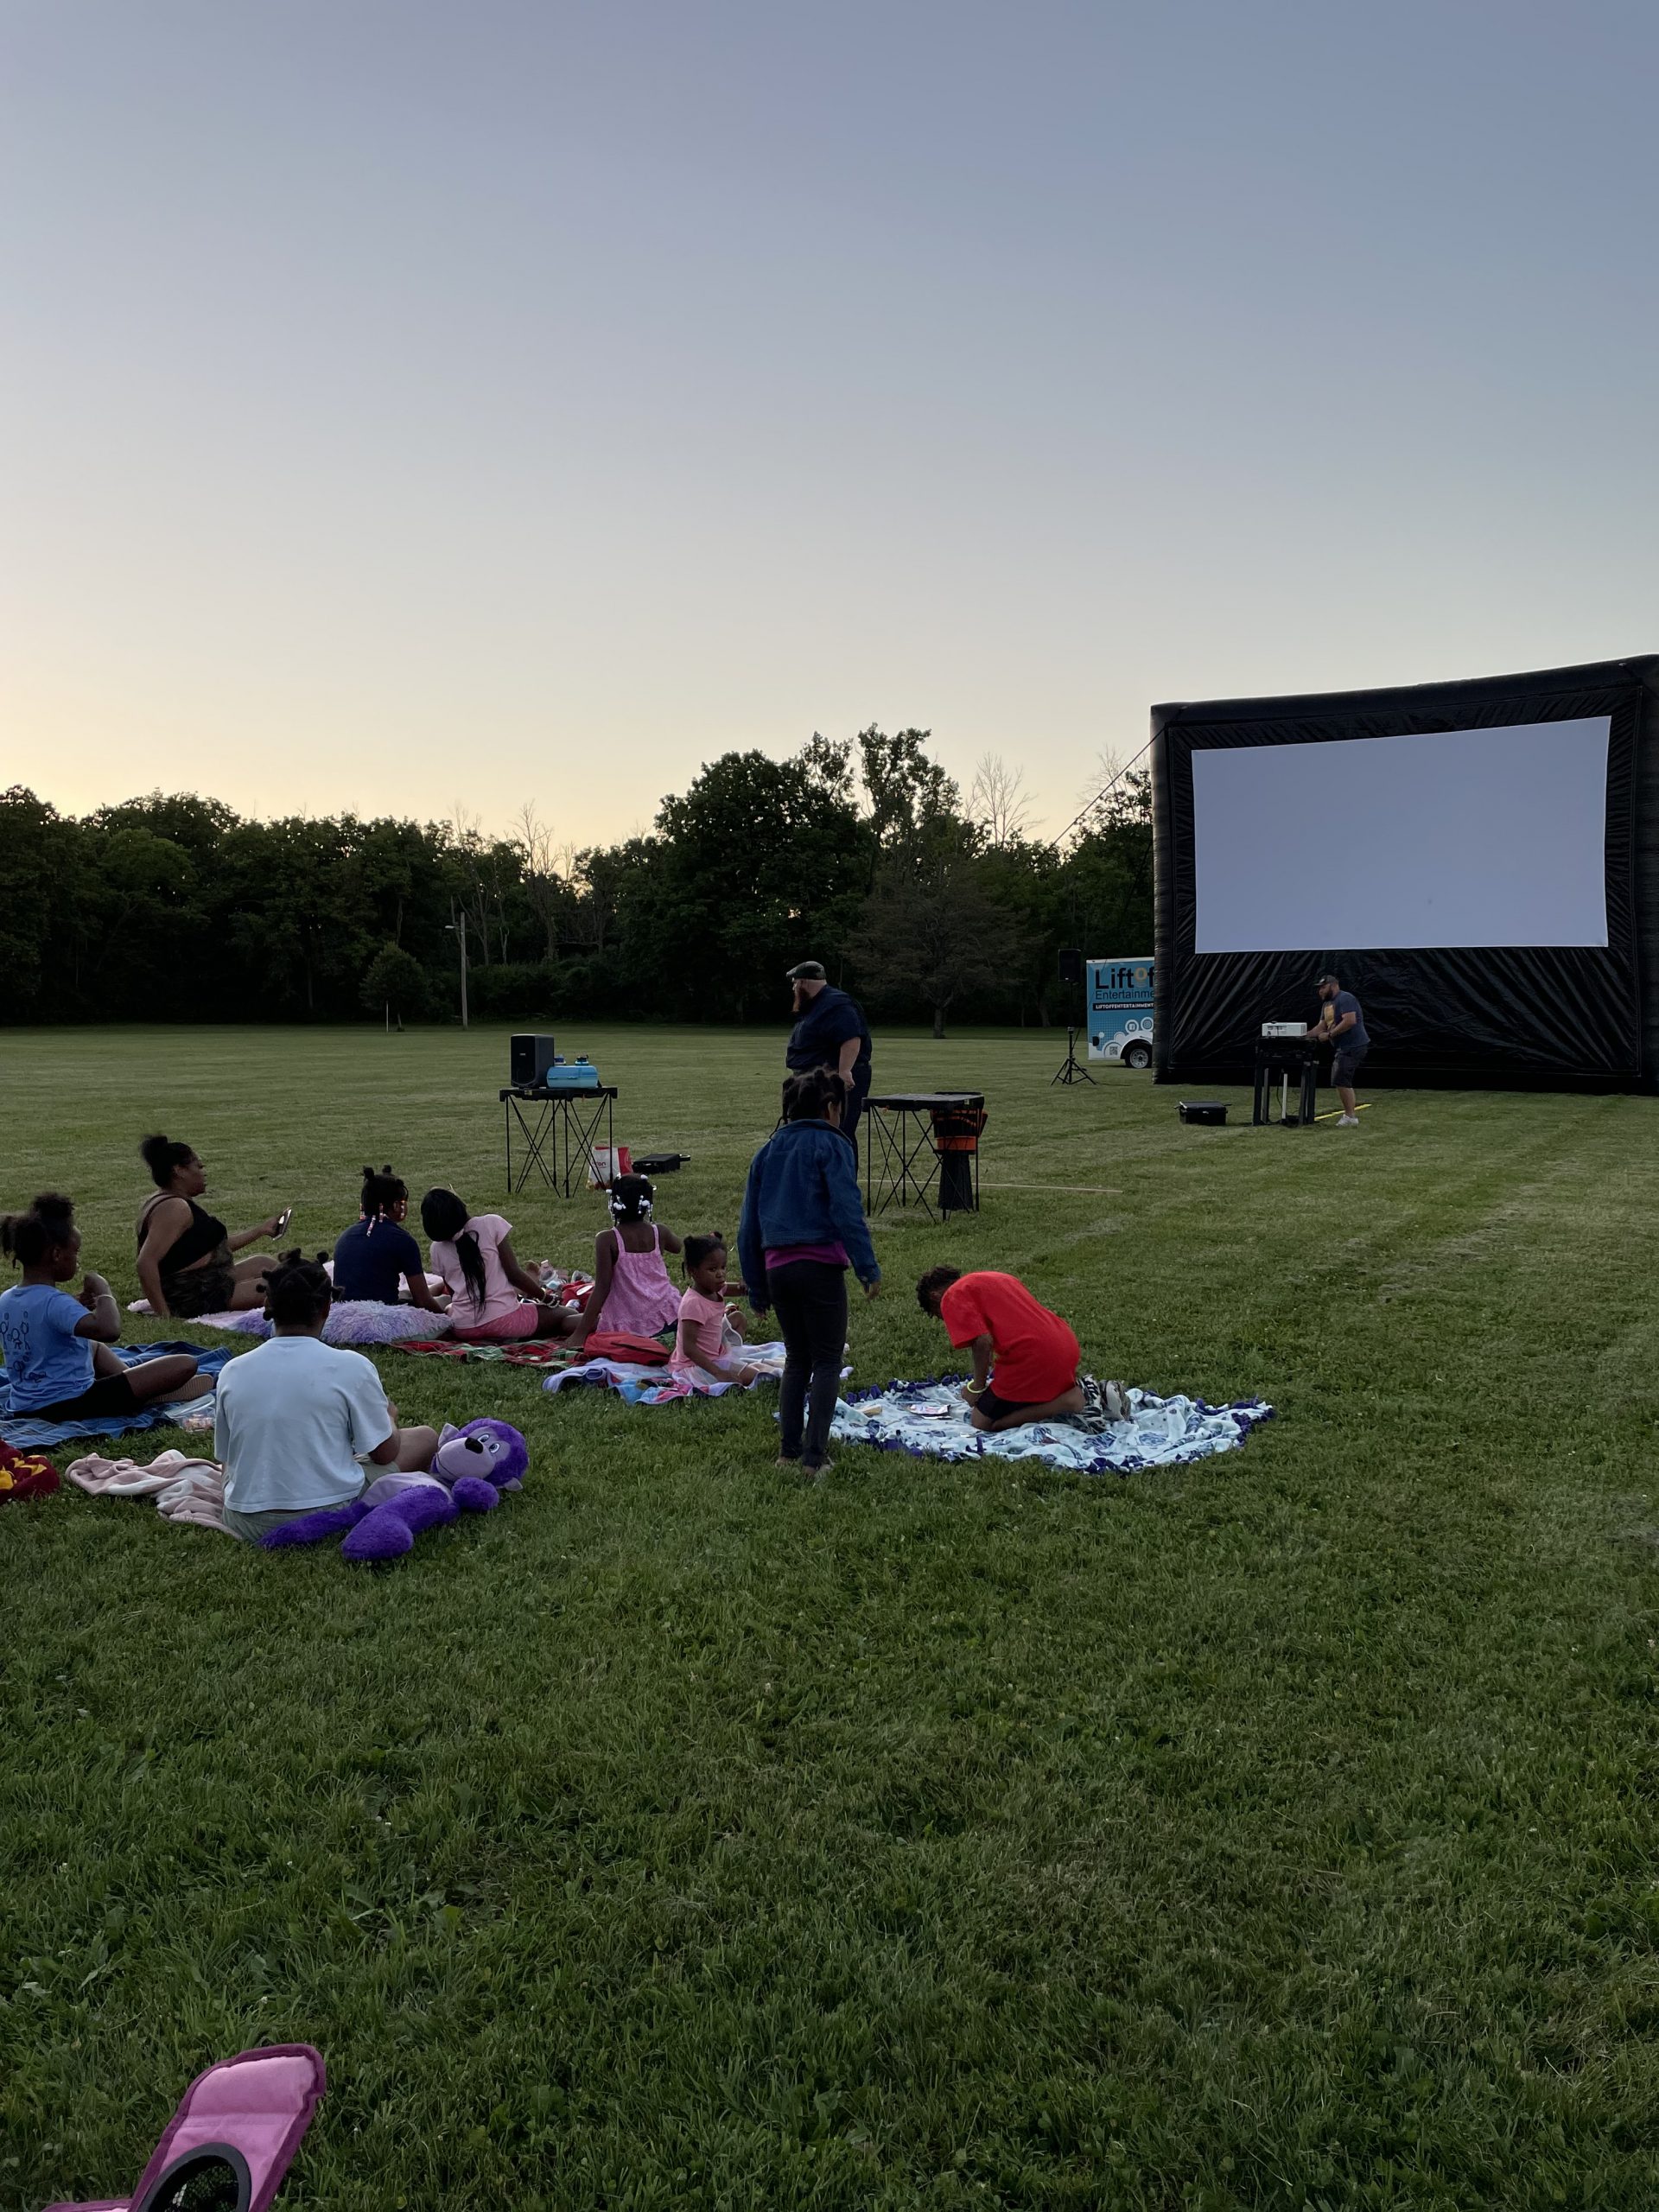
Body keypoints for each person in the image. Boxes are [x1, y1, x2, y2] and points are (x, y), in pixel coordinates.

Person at [215, 1251, 439, 1541]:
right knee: (425, 1437)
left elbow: (227, 1456)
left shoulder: (232, 1370)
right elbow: (385, 1453)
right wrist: (389, 1419)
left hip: (243, 1520)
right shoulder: (352, 1366)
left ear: (267, 1304)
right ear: (327, 1308)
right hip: (330, 1511)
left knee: (232, 1466)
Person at [738, 1067, 881, 1479]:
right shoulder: (833, 1145)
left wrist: (757, 1290)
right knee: (827, 1360)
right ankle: (815, 1459)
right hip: (820, 1270)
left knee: (797, 1359)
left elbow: (748, 1226)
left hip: (778, 1270)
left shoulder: (766, 1151)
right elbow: (846, 1209)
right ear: (831, 1108)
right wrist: (866, 1267)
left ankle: (787, 1453)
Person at [0, 1192, 208, 1422]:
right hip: (70, 1403)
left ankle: (132, 1381)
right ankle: (144, 1392)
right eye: (75, 1252)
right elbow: (109, 1330)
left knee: (92, 1346)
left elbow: (39, 1324)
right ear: (57, 1254)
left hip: (24, 1404)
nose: (78, 1260)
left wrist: (76, 1306)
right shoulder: (54, 1302)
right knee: (185, 1363)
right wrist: (104, 1292)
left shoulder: (7, 1298)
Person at [915, 1265, 1092, 1433]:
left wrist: (977, 1386)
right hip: (1065, 1344)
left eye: (937, 1315)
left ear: (934, 1296)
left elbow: (982, 1341)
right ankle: (1062, 1395)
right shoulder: (993, 1278)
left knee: (981, 1421)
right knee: (1014, 1399)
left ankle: (1067, 1402)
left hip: (1034, 1357)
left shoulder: (951, 1296)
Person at [136, 1135, 286, 1319]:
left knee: (263, 1263)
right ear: (179, 1171)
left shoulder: (167, 1201)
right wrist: (164, 1314)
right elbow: (145, 1262)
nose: (203, 1172)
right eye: (198, 1166)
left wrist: (261, 1230)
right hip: (195, 1296)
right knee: (287, 1287)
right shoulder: (175, 1208)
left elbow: (207, 1250)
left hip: (208, 1282)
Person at [419, 1188, 579, 1343]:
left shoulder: (436, 1248)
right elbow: (514, 1275)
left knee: (452, 1306)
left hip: (463, 1328)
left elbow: (453, 1293)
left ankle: (491, 1335)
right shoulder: (490, 1224)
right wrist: (547, 1298)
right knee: (569, 1314)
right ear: (459, 1205)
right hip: (506, 1321)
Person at [570, 1173, 682, 1344]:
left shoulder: (607, 1239)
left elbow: (602, 1288)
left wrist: (580, 1334)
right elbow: (678, 1247)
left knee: (566, 1321)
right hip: (670, 1316)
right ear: (647, 1205)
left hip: (628, 1324)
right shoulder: (659, 1232)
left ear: (613, 1204)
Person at [785, 960, 872, 1159]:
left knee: (838, 1134)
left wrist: (844, 1071)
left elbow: (851, 1037)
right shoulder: (816, 1005)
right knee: (808, 1132)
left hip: (832, 1079)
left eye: (794, 983)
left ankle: (840, 1183)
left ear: (803, 983)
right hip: (814, 1078)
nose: (793, 988)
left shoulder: (836, 1003)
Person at [332, 1166, 447, 1311]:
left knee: (405, 1294)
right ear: (396, 1205)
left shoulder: (346, 1236)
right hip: (381, 1318)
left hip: (342, 1316)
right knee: (445, 1300)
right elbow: (423, 1301)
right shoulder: (402, 1240)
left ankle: (439, 1287)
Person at [671, 1232, 759, 1389]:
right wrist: (718, 1372)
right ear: (693, 1271)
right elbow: (689, 1348)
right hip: (697, 1366)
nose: (721, 1274)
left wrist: (750, 1287)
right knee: (757, 1376)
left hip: (715, 1350)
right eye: (712, 1269)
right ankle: (727, 1365)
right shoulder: (693, 1303)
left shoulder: (715, 1289)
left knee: (738, 1318)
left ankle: (730, 1357)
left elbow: (739, 1290)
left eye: (723, 1267)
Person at [1306, 972, 1370, 1128]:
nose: (1320, 991)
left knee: (1341, 1079)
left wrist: (1329, 1035)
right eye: (1319, 988)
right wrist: (1301, 1036)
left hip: (1353, 1045)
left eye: (1323, 987)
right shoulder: (1327, 1005)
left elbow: (1350, 1021)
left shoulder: (1345, 998)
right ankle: (1350, 1116)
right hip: (1343, 1046)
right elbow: (1321, 1026)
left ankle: (1350, 1117)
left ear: (1333, 986)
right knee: (1341, 1079)